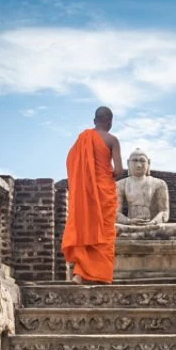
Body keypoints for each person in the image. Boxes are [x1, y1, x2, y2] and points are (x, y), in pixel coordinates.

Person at [61, 106, 124, 283]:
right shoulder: (112, 140)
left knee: (86, 229)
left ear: (94, 120)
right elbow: (118, 170)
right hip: (104, 192)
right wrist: (107, 173)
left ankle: (80, 274)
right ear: (110, 122)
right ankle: (99, 275)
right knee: (103, 235)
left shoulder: (83, 138)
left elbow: (71, 162)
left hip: (85, 194)